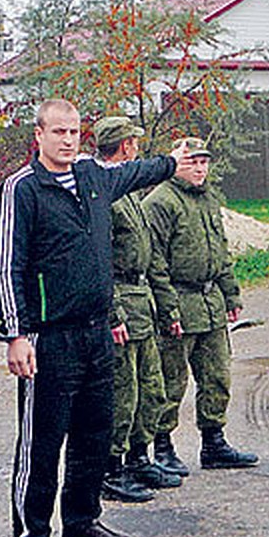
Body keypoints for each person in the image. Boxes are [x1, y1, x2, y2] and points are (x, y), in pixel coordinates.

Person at [0, 99, 188, 537]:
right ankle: (31, 535)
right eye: (58, 131)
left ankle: (82, 520)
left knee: (94, 433)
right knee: (42, 441)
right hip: (48, 338)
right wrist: (17, 334)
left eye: (75, 132)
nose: (67, 140)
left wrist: (172, 163)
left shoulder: (93, 178)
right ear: (37, 135)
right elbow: (6, 266)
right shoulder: (22, 189)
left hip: (97, 332)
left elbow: (136, 173)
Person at [145, 137, 258, 473]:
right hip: (179, 300)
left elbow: (220, 250)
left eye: (203, 162)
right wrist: (168, 310)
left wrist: (231, 293)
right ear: (176, 163)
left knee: (217, 375)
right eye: (191, 161)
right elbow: (155, 263)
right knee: (170, 380)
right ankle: (162, 447)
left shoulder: (207, 198)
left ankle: (214, 442)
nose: (199, 168)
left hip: (210, 302)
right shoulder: (161, 202)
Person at [92, 116, 184, 503]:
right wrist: (113, 314)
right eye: (133, 141)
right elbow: (100, 260)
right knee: (123, 390)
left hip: (142, 299)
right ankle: (111, 469)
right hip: (122, 302)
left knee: (151, 385)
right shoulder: (107, 192)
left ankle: (138, 456)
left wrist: (164, 308)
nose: (136, 147)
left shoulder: (128, 191)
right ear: (124, 146)